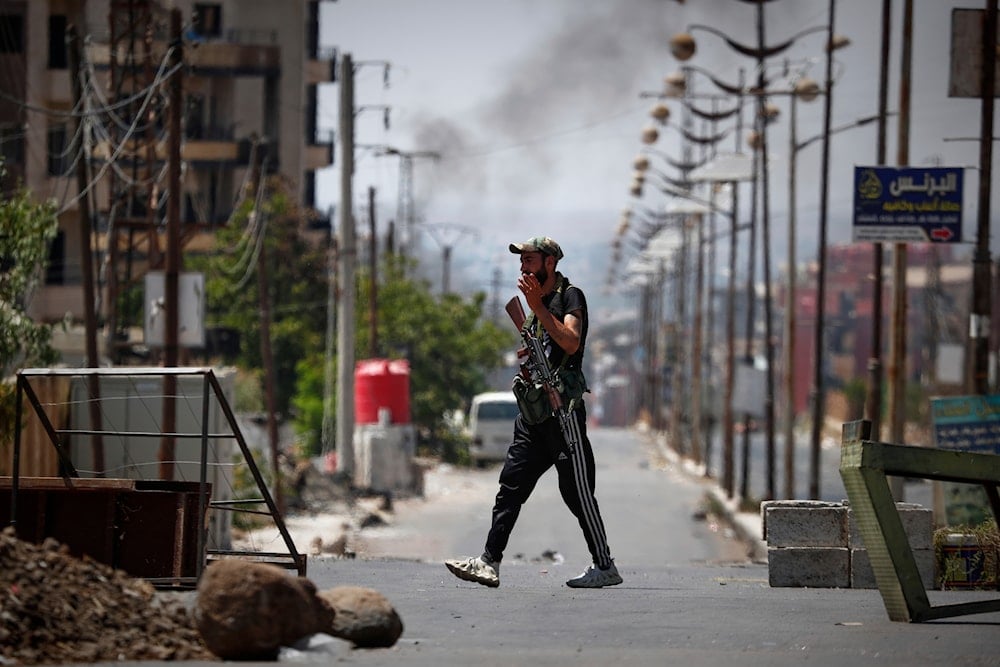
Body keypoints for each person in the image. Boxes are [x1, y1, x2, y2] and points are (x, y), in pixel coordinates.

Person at [445, 236, 622, 589]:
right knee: (511, 486)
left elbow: (570, 342)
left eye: (530, 260)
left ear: (550, 263)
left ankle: (604, 565)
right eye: (522, 261)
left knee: (577, 491)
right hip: (534, 412)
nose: (523, 267)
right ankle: (489, 561)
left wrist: (538, 307)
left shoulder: (569, 297)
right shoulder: (533, 305)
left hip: (563, 413)